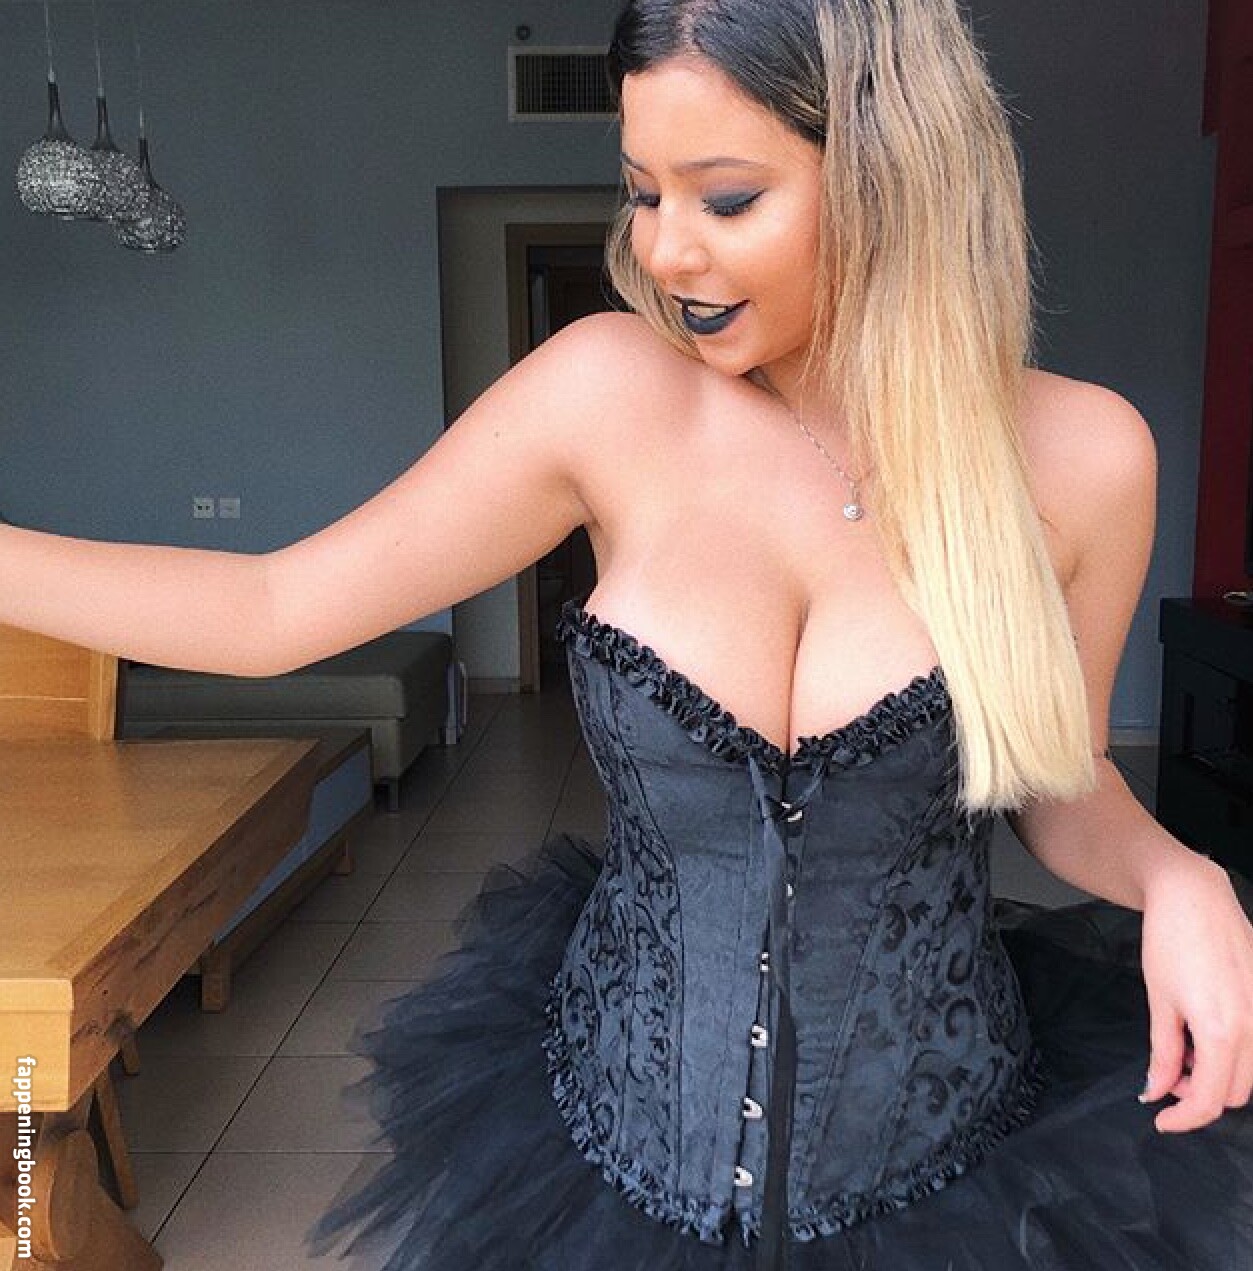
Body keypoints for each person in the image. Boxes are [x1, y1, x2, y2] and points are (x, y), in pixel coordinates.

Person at [5, 0, 1253, 1267]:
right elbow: (272, 608)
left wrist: (1176, 877)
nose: (662, 250)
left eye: (725, 198)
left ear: (896, 177)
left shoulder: (1082, 458)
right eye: (643, 192)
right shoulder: (605, 394)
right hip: (614, 1160)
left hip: (957, 1168)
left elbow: (1059, 776)